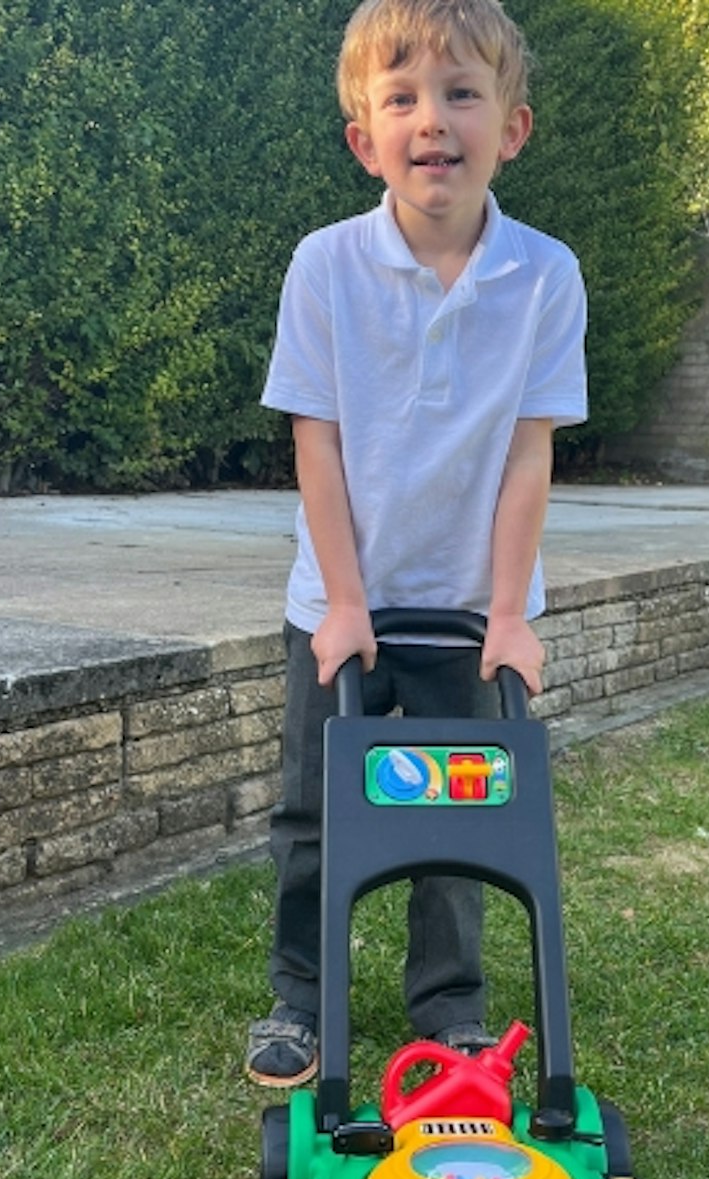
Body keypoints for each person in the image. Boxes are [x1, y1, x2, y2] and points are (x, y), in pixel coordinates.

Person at [247, 0, 588, 1087]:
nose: (432, 120)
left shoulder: (544, 278)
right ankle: (300, 998)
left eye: (460, 94)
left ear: (512, 128)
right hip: (341, 605)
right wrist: (345, 604)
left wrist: (508, 612)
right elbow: (319, 444)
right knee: (314, 810)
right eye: (402, 98)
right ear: (365, 138)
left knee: (462, 814)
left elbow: (527, 456)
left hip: (466, 612)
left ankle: (450, 1014)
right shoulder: (325, 268)